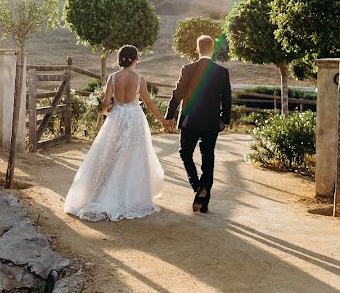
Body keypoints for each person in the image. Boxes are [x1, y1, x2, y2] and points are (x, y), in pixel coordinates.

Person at [64, 45, 175, 221]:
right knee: (132, 157)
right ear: (134, 59)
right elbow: (149, 104)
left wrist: (107, 113)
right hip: (134, 119)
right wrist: (163, 120)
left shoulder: (112, 78)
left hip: (116, 118)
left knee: (110, 154)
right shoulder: (139, 79)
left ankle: (101, 193)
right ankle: (128, 196)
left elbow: (106, 103)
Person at [165, 34, 232, 213]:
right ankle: (204, 201)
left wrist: (169, 116)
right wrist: (225, 119)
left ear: (197, 49)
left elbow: (177, 94)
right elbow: (227, 98)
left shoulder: (187, 69)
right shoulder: (221, 72)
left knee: (185, 153)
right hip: (211, 122)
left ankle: (197, 187)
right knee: (208, 158)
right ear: (212, 49)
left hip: (190, 121)